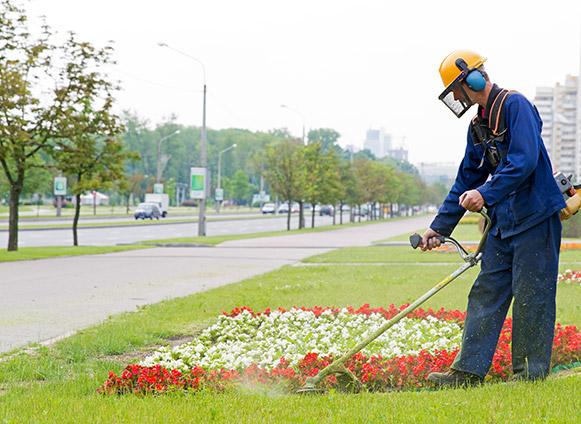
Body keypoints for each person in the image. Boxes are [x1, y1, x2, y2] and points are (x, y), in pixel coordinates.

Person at [422, 50, 566, 387]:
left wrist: (486, 193)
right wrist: (438, 227)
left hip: (535, 219)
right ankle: (467, 372)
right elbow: (466, 178)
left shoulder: (516, 106)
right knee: (485, 292)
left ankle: (529, 376)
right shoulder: (478, 125)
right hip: (504, 224)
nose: (456, 98)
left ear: (471, 79)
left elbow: (524, 160)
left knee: (532, 296)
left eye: (456, 90)